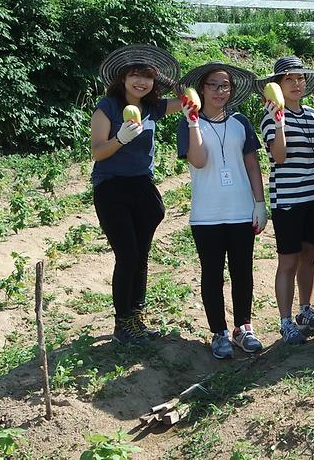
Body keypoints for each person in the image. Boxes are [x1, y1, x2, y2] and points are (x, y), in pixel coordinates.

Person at [90, 44, 188, 346]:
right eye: (135, 75)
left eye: (147, 77)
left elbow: (186, 99)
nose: (140, 83)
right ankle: (122, 323)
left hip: (142, 187)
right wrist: (119, 139)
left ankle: (136, 317)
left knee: (141, 257)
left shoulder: (153, 107)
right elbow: (97, 152)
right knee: (127, 254)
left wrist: (170, 80)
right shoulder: (107, 107)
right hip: (112, 188)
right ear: (122, 78)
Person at [177, 62, 266, 359]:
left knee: (243, 272)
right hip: (207, 215)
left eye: (224, 85)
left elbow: (252, 165)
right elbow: (199, 161)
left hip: (241, 211)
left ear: (232, 90)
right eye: (213, 85)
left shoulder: (241, 122)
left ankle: (244, 327)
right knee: (212, 275)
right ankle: (219, 332)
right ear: (202, 89)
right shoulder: (189, 123)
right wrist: (192, 122)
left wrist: (259, 203)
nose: (219, 91)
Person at [260, 56, 314, 346]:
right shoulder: (270, 117)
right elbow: (279, 156)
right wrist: (278, 122)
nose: (297, 83)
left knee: (309, 256)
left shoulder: (311, 115)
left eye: (300, 78)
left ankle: (305, 310)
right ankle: (285, 320)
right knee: (287, 261)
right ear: (277, 85)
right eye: (289, 79)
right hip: (288, 199)